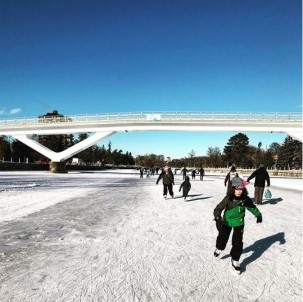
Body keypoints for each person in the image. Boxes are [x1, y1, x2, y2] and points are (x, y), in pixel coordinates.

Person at [213, 177, 262, 272]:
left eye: (241, 189)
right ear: (233, 189)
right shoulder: (228, 199)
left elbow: (252, 208)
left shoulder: (245, 199)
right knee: (222, 238)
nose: (239, 191)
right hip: (226, 221)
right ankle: (219, 248)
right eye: (237, 189)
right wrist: (218, 218)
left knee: (237, 242)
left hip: (239, 223)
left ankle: (235, 259)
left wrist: (258, 215)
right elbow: (218, 208)